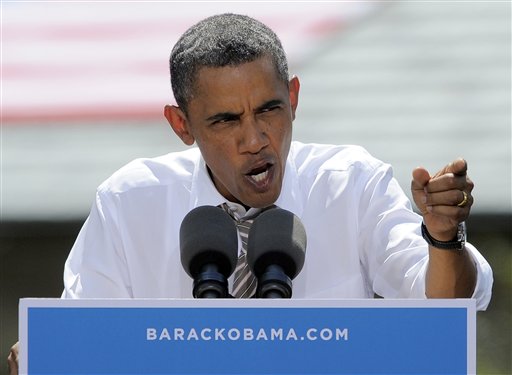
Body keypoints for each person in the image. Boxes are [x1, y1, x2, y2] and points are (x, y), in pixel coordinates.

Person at [8, 13, 493, 373]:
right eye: (225, 120)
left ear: (295, 98)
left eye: (269, 110)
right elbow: (80, 345)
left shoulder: (351, 183)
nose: (255, 139)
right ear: (182, 125)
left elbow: (445, 310)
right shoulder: (130, 203)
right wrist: (41, 356)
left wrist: (444, 238)